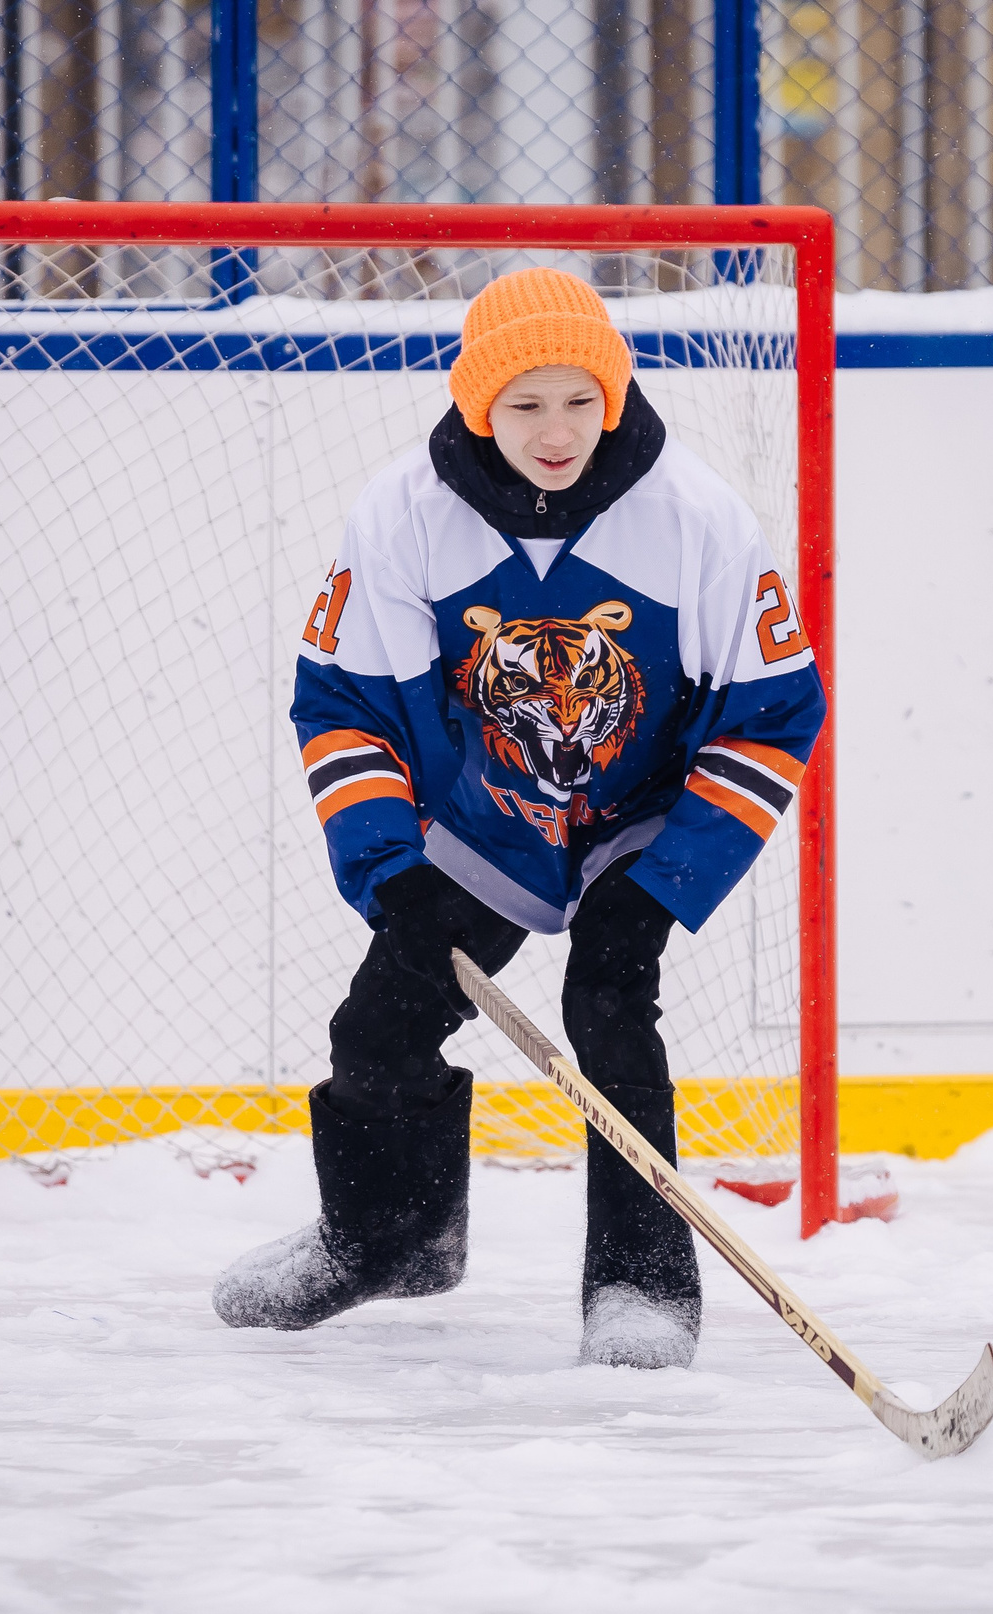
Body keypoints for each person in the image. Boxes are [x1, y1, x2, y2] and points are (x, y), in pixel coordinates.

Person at [214, 268, 823, 1369]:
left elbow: (773, 711)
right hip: (480, 818)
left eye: (580, 400)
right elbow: (343, 697)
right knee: (381, 1023)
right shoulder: (403, 512)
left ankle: (642, 1288)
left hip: (639, 812)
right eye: (527, 404)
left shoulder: (696, 517)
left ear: (614, 395)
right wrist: (390, 864)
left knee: (609, 1008)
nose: (557, 431)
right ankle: (385, 1240)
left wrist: (666, 883)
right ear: (479, 405)